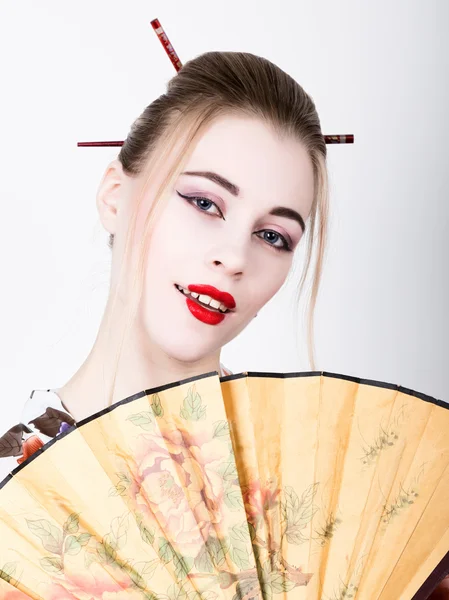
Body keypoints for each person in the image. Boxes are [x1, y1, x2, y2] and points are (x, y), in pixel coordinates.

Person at [0, 50, 447, 598]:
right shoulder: (16, 503)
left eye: (273, 235)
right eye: (205, 202)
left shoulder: (330, 487)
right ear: (115, 197)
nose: (235, 256)